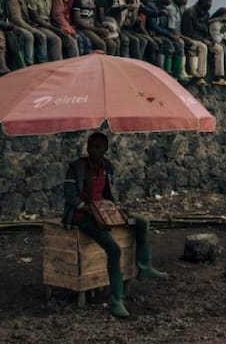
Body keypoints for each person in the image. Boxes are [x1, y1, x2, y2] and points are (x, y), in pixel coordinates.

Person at [61, 132, 168, 318]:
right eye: (91, 146)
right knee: (114, 249)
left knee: (140, 222)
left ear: (106, 149)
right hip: (84, 217)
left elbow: (109, 194)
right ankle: (116, 301)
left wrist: (113, 211)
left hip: (105, 212)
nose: (94, 150)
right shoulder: (77, 168)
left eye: (98, 146)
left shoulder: (107, 168)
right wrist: (88, 208)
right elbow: (69, 196)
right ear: (87, 147)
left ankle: (144, 268)